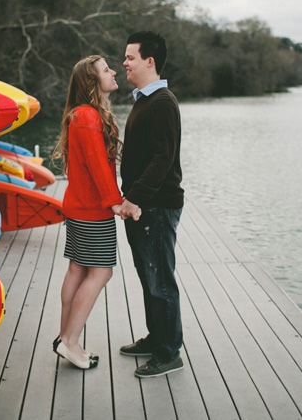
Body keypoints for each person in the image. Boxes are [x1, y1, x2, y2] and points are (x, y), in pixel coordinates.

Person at [51, 54, 139, 370]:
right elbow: (98, 165)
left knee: (78, 270)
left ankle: (65, 338)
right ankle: (70, 341)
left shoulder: (82, 114)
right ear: (92, 81)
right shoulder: (87, 116)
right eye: (106, 69)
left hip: (79, 207)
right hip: (91, 210)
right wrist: (114, 202)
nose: (113, 71)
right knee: (101, 272)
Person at [117, 31, 185, 378]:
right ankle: (156, 337)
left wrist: (134, 198)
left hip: (156, 206)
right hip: (144, 206)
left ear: (149, 62)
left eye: (130, 57)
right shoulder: (144, 99)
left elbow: (162, 159)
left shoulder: (161, 102)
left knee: (160, 280)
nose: (124, 63)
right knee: (149, 277)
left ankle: (169, 352)